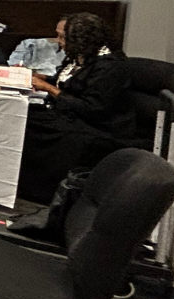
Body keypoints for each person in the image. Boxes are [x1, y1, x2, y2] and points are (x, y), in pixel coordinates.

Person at [17, 13, 134, 203]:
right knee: (21, 116)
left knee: (33, 130)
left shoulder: (110, 66)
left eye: (63, 37)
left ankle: (41, 193)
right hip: (69, 114)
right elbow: (63, 82)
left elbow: (91, 107)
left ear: (81, 39)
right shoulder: (79, 58)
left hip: (98, 126)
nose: (59, 42)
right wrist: (33, 77)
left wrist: (48, 88)